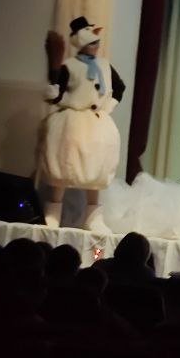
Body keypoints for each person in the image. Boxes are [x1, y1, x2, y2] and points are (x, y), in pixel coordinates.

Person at [38, 17, 126, 232]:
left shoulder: (105, 66)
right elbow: (57, 94)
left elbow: (119, 87)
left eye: (97, 43)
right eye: (91, 42)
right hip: (72, 120)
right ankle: (53, 211)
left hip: (97, 122)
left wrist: (107, 107)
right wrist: (54, 81)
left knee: (96, 166)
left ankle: (93, 216)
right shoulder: (70, 66)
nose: (95, 46)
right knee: (64, 163)